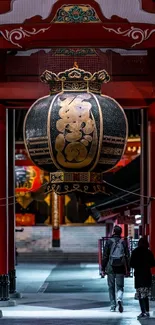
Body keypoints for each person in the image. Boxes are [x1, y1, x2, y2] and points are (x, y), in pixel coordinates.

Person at [102, 225, 130, 313]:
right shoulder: (123, 242)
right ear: (120, 232)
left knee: (111, 287)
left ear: (113, 232)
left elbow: (105, 256)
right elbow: (127, 256)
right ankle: (119, 299)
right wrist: (128, 269)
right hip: (120, 267)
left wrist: (103, 267)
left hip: (110, 267)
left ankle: (112, 306)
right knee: (120, 286)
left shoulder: (109, 241)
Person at [130, 237, 155, 319]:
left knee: (140, 294)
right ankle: (147, 311)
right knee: (146, 295)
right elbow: (152, 264)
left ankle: (143, 311)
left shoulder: (135, 252)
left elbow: (131, 264)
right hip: (147, 275)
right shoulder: (149, 252)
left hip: (138, 275)